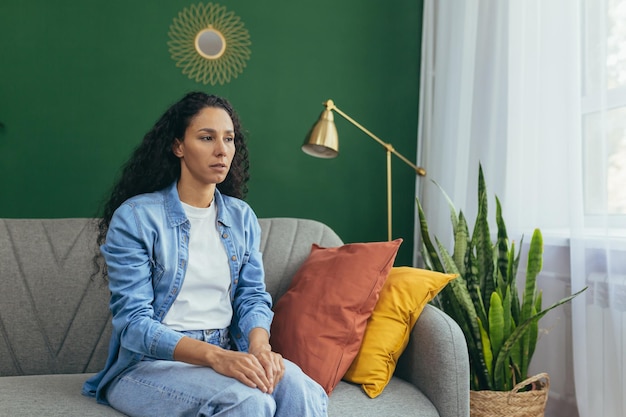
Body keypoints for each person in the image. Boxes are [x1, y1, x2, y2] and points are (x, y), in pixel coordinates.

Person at [82, 92, 328, 416]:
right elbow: (134, 325)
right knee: (250, 402)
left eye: (229, 139)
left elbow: (252, 297)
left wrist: (259, 348)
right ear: (178, 146)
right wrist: (216, 358)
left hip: (228, 349)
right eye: (206, 137)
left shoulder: (241, 217)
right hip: (150, 366)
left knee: (299, 388)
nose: (221, 150)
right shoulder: (137, 218)